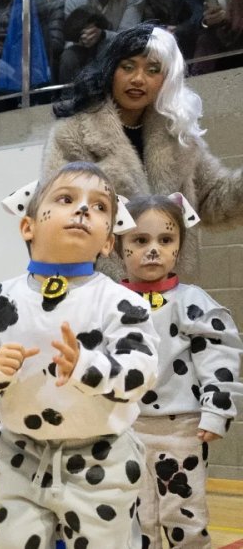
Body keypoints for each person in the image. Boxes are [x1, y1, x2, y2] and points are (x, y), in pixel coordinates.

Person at [0, 163, 159, 548]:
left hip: (102, 460)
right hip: (21, 454)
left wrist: (88, 367)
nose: (84, 209)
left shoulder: (122, 301)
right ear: (28, 226)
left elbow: (141, 374)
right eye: (66, 199)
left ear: (108, 242)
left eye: (100, 206)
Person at [42, 24, 243, 279]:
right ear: (110, 70)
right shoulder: (72, 134)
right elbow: (56, 216)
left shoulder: (179, 135)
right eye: (127, 67)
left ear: (167, 78)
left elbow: (214, 199)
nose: (138, 78)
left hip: (168, 288)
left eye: (153, 70)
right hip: (100, 289)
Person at [119, 194, 242, 549]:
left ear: (178, 248)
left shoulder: (193, 301)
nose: (153, 250)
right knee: (134, 514)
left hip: (182, 428)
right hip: (125, 427)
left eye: (165, 239)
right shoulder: (109, 303)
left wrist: (217, 410)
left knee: (184, 512)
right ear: (118, 247)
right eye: (140, 240)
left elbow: (220, 356)